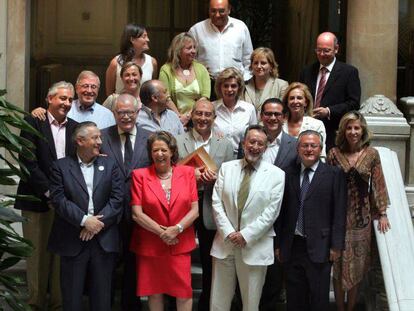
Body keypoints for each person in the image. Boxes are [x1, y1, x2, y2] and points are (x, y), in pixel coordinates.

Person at [14, 81, 78, 311]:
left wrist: (65, 196)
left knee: (61, 258)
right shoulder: (33, 122)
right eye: (62, 98)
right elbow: (28, 162)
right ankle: (36, 304)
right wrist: (51, 192)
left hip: (66, 205)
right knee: (37, 255)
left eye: (70, 99)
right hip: (36, 200)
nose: (66, 103)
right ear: (49, 99)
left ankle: (58, 305)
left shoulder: (76, 128)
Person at [48, 121, 124, 311]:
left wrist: (96, 224)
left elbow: (117, 199)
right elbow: (59, 200)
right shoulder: (60, 167)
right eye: (95, 138)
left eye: (100, 137)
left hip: (103, 240)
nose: (100, 141)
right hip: (73, 238)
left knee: (102, 299)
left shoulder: (110, 164)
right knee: (72, 299)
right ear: (80, 141)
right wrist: (84, 220)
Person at [210, 125, 285, 311]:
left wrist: (245, 235)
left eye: (261, 143)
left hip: (254, 245)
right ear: (244, 143)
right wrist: (229, 233)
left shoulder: (276, 175)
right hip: (224, 244)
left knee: (251, 304)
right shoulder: (227, 169)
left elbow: (271, 213)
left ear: (265, 148)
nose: (255, 146)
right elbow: (217, 203)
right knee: (218, 302)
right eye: (252, 141)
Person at [275, 130, 347, 311]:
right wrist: (278, 244)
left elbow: (339, 212)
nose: (308, 149)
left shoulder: (334, 174)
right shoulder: (286, 173)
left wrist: (336, 245)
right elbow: (281, 212)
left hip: (320, 247)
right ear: (298, 149)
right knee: (294, 298)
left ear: (320, 149)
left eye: (313, 145)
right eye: (304, 145)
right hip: (292, 246)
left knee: (318, 299)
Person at [327, 111, 390, 311]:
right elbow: (326, 186)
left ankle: (351, 308)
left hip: (361, 221)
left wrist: (382, 213)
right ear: (343, 130)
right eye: (349, 127)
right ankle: (339, 308)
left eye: (356, 127)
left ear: (362, 130)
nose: (353, 131)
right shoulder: (334, 154)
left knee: (356, 267)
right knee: (337, 267)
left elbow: (378, 183)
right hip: (336, 219)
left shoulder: (371, 154)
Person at [130, 131, 199, 311]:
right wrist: (163, 232)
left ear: (172, 151)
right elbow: (137, 213)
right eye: (155, 150)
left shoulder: (187, 173)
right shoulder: (140, 175)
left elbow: (195, 210)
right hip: (151, 245)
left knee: (183, 292)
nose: (159, 154)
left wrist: (176, 229)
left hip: (180, 244)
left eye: (163, 150)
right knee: (154, 291)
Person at [176, 99, 233, 311]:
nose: (202, 118)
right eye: (198, 113)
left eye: (207, 114)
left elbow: (229, 177)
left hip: (211, 206)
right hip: (183, 206)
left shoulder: (225, 143)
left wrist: (215, 178)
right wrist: (192, 174)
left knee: (210, 261)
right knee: (180, 260)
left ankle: (206, 304)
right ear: (191, 115)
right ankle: (178, 303)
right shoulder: (178, 140)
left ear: (214, 118)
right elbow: (170, 172)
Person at [100, 94, 152, 310]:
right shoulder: (102, 137)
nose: (126, 116)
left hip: (140, 212)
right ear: (114, 113)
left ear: (138, 113)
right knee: (107, 263)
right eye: (121, 112)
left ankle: (131, 306)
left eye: (130, 112)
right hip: (109, 211)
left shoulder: (150, 138)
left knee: (134, 263)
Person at [257, 98, 297, 310]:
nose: (272, 118)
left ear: (283, 117)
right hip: (252, 214)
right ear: (261, 116)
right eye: (268, 114)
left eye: (277, 114)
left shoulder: (294, 144)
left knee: (275, 269)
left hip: (282, 217)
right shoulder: (252, 140)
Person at [299, 31, 361, 151]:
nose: (322, 54)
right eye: (319, 50)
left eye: (326, 50)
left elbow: (354, 103)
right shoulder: (307, 71)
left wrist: (329, 111)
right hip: (307, 133)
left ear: (336, 49)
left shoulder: (348, 72)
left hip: (334, 134)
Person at [188, 0, 253, 97]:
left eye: (221, 11)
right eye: (213, 11)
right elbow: (189, 58)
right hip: (206, 85)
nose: (217, 15)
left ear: (229, 10)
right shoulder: (196, 30)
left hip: (235, 86)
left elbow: (248, 57)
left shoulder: (240, 27)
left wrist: (244, 80)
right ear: (208, 11)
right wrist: (198, 71)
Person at [31, 70, 116, 129]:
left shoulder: (107, 115)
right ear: (77, 88)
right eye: (85, 86)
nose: (89, 91)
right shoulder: (64, 108)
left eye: (94, 87)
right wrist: (38, 112)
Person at [159, 32, 211, 128]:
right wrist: (178, 117)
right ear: (178, 50)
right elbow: (165, 97)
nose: (193, 51)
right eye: (189, 48)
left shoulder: (201, 69)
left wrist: (188, 116)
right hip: (172, 119)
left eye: (194, 47)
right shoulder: (166, 69)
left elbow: (205, 97)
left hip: (198, 120)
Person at [212, 67, 257, 156]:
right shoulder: (212, 108)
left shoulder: (249, 109)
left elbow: (254, 136)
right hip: (216, 156)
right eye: (225, 86)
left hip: (242, 157)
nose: (229, 89)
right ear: (220, 87)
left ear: (239, 88)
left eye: (233, 86)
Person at [106, 23, 157, 96]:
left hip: (144, 107)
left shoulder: (152, 62)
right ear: (132, 39)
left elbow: (152, 89)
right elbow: (110, 94)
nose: (148, 40)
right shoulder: (115, 63)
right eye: (144, 36)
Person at [282, 82, 327, 158]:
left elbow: (321, 155)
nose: (295, 101)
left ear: (306, 102)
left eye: (299, 98)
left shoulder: (317, 125)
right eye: (292, 98)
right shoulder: (280, 124)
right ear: (287, 102)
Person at [242, 47, 289, 115]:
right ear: (251, 66)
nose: (259, 66)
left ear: (271, 66)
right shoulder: (244, 86)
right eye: (255, 63)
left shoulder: (282, 85)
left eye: (263, 63)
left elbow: (283, 113)